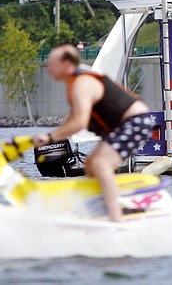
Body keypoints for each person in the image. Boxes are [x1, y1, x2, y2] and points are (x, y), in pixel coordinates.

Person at [32, 44, 153, 222]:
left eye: (52, 64)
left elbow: (80, 121)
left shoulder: (82, 82)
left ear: (66, 64)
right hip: (123, 126)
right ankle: (105, 204)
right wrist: (49, 137)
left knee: (101, 164)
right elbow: (72, 120)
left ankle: (115, 217)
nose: (49, 69)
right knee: (90, 164)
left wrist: (50, 138)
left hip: (135, 122)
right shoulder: (75, 83)